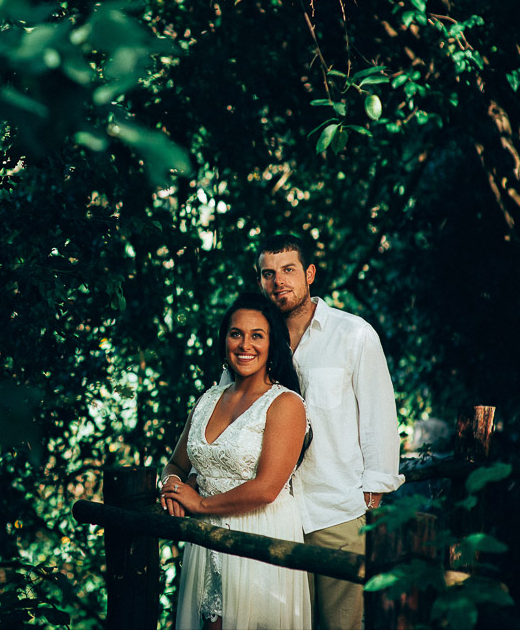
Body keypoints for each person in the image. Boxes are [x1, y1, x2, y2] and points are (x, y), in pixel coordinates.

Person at [252, 233, 404, 630]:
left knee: (340, 625)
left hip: (336, 508)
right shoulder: (255, 342)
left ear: (310, 274)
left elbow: (379, 415)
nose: (279, 281)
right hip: (273, 514)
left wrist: (374, 491)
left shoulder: (353, 334)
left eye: (288, 270)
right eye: (269, 274)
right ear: (260, 283)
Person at [161, 292, 312, 630]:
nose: (246, 344)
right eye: (236, 333)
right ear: (225, 339)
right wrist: (171, 486)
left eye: (257, 335)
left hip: (259, 534)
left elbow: (266, 488)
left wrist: (198, 503)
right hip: (206, 539)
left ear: (272, 343)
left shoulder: (286, 404)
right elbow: (176, 465)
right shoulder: (209, 399)